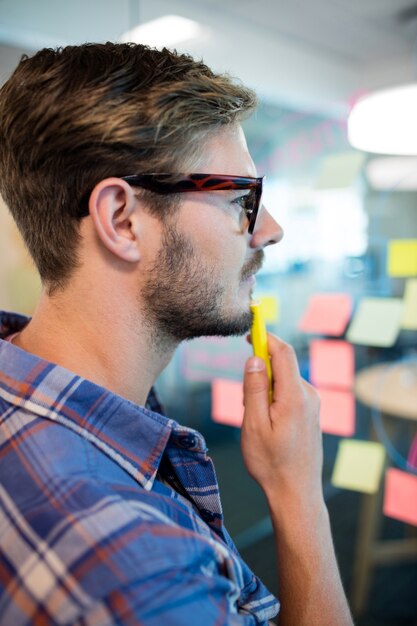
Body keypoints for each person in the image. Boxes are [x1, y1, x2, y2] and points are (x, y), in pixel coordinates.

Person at [0, 43, 353, 626]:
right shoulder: (135, 571)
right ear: (123, 220)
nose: (270, 230)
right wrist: (298, 497)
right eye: (240, 198)